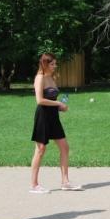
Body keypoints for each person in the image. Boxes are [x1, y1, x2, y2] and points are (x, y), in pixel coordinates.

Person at [30, 53, 82, 193]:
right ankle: (34, 185)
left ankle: (65, 182)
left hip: (53, 116)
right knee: (40, 149)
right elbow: (40, 100)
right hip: (43, 117)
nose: (55, 66)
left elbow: (51, 99)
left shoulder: (51, 78)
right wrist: (57, 103)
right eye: (52, 64)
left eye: (55, 64)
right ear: (44, 64)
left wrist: (60, 107)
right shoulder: (39, 78)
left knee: (64, 147)